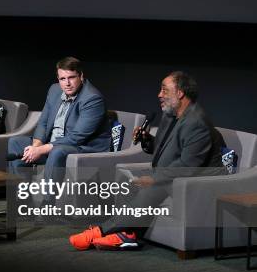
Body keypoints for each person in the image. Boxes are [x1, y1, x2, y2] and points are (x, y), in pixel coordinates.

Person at [69, 71, 224, 251]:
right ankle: (126, 235)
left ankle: (99, 231)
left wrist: (155, 179)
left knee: (153, 188)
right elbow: (163, 150)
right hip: (175, 176)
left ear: (180, 93)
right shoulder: (170, 116)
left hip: (197, 183)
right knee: (127, 180)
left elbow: (188, 165)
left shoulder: (197, 122)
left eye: (165, 90)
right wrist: (147, 139)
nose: (159, 94)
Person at [0, 57, 110, 217]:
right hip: (53, 144)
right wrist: (36, 146)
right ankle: (22, 204)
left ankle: (48, 206)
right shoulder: (55, 90)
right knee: (16, 143)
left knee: (58, 151)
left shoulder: (92, 98)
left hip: (82, 147)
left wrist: (42, 149)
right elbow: (44, 122)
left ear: (81, 76)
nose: (67, 83)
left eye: (71, 77)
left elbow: (77, 136)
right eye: (63, 78)